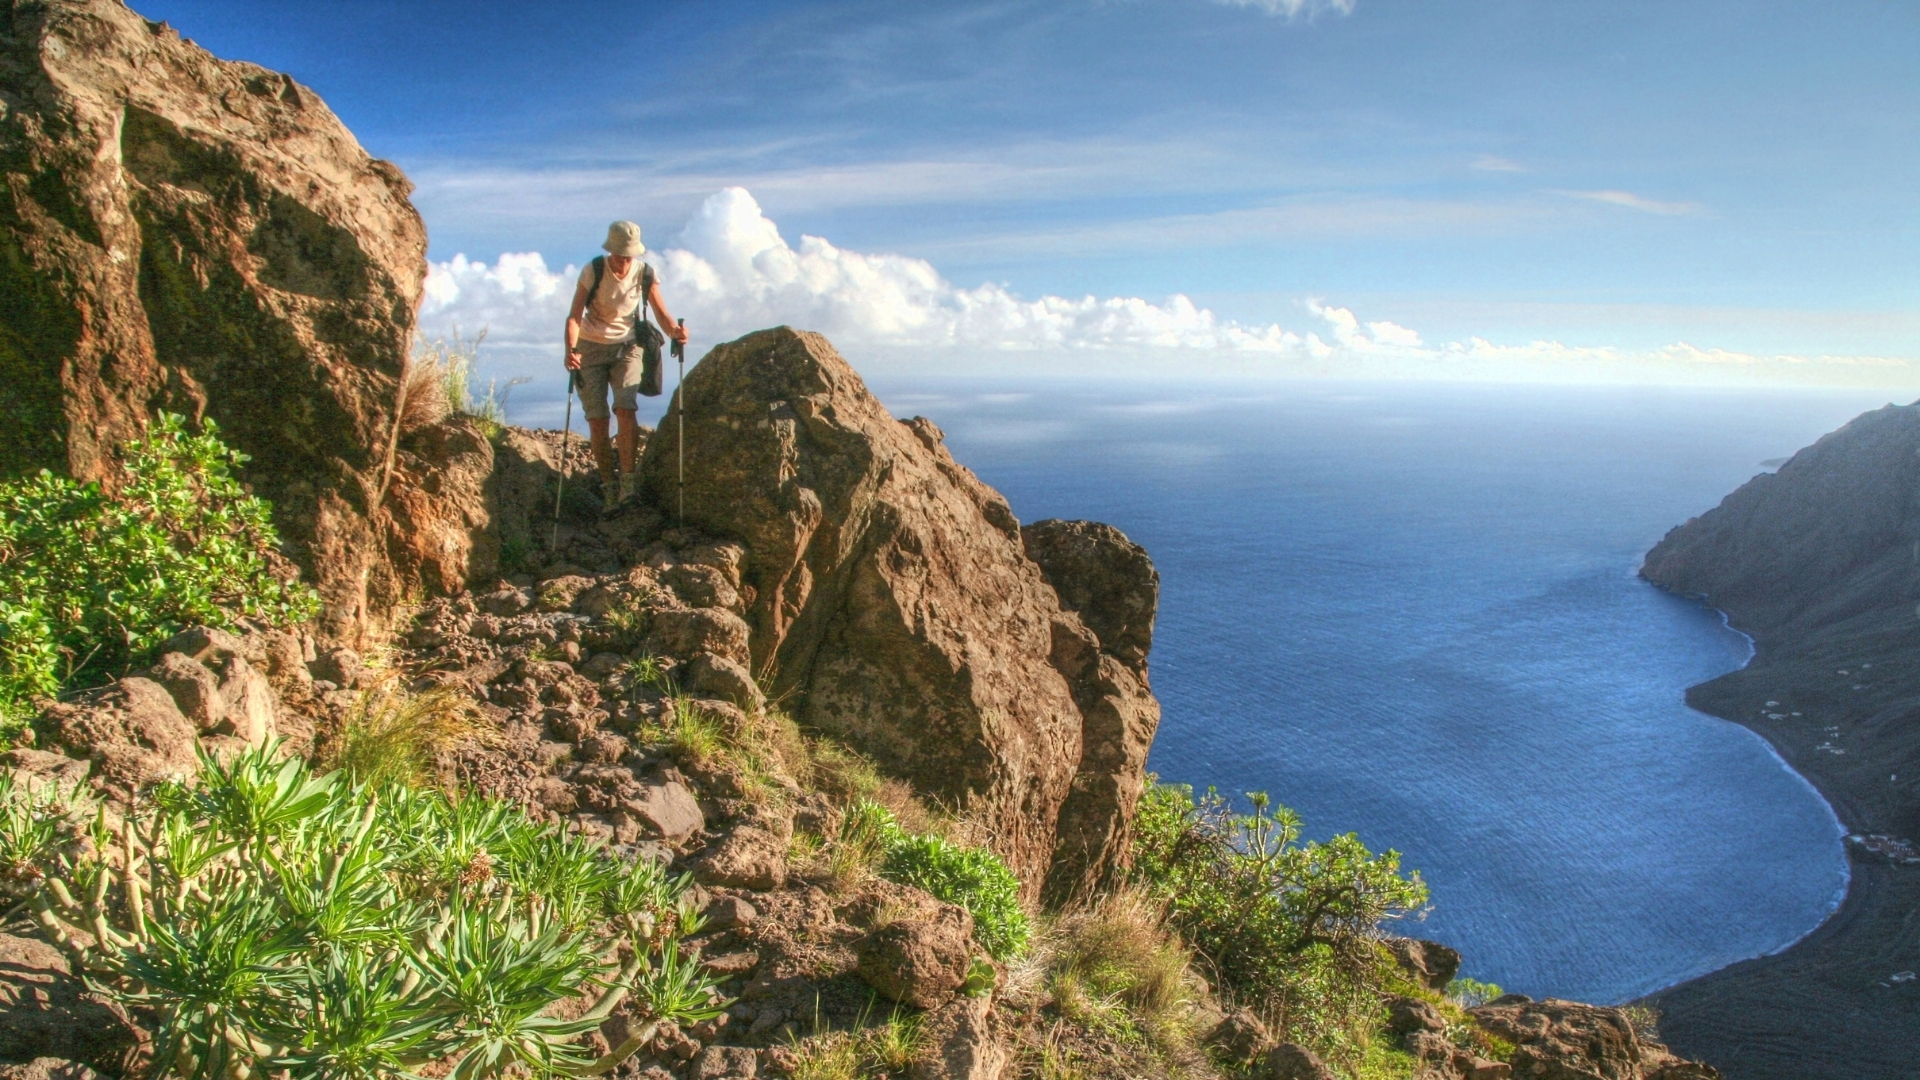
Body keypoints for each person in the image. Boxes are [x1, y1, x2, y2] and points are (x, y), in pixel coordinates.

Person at [563, 220, 689, 504]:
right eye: (620, 254)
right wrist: (571, 349)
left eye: (629, 255)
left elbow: (661, 313)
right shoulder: (594, 270)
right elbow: (574, 317)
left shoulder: (644, 273)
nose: (624, 260)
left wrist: (676, 332)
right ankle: (609, 486)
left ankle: (628, 484)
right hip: (590, 348)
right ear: (611, 250)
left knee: (625, 408)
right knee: (597, 418)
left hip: (628, 346)